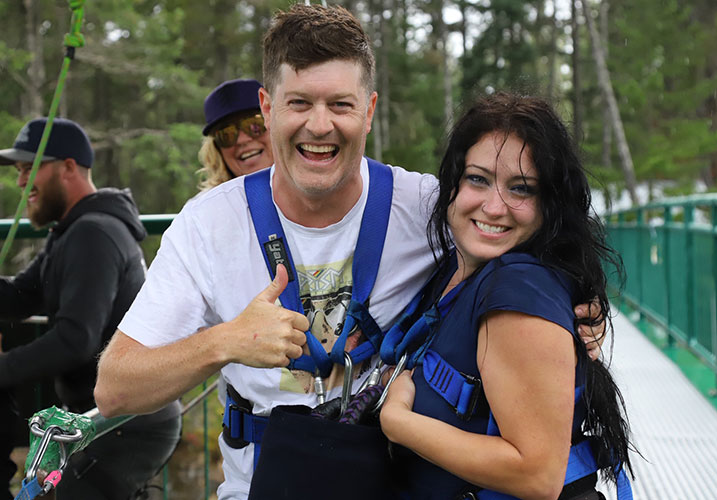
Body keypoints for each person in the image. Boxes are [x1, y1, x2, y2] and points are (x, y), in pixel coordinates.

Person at [94, 6, 605, 499]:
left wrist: (581, 312)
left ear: (369, 111)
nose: (320, 126)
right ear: (268, 108)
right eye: (299, 103)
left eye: (340, 104)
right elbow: (115, 390)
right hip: (262, 481)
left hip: (390, 477)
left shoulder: (428, 206)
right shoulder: (208, 225)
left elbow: (529, 242)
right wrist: (223, 343)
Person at [379, 92, 632, 499]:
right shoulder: (455, 271)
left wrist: (398, 422)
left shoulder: (516, 288)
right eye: (478, 179)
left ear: (550, 205)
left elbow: (537, 475)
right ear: (454, 184)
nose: (494, 207)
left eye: (522, 189)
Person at [0, 118, 181, 500]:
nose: (21, 182)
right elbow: (18, 296)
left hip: (128, 421)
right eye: (18, 171)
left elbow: (74, 340)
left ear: (67, 168)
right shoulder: (72, 230)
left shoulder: (93, 233)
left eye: (30, 168)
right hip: (101, 417)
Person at [197, 78, 273, 191]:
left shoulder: (308, 191)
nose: (242, 140)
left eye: (255, 126)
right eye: (227, 135)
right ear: (217, 150)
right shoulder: (204, 207)